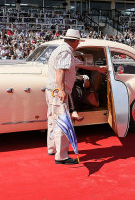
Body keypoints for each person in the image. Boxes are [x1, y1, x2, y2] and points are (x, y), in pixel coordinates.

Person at [45, 29, 107, 165]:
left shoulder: (62, 51)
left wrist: (97, 68)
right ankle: (61, 156)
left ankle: (52, 148)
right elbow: (60, 71)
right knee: (62, 123)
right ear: (75, 41)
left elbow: (81, 64)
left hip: (52, 91)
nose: (78, 44)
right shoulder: (65, 52)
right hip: (58, 92)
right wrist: (62, 90)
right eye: (78, 41)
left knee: (52, 120)